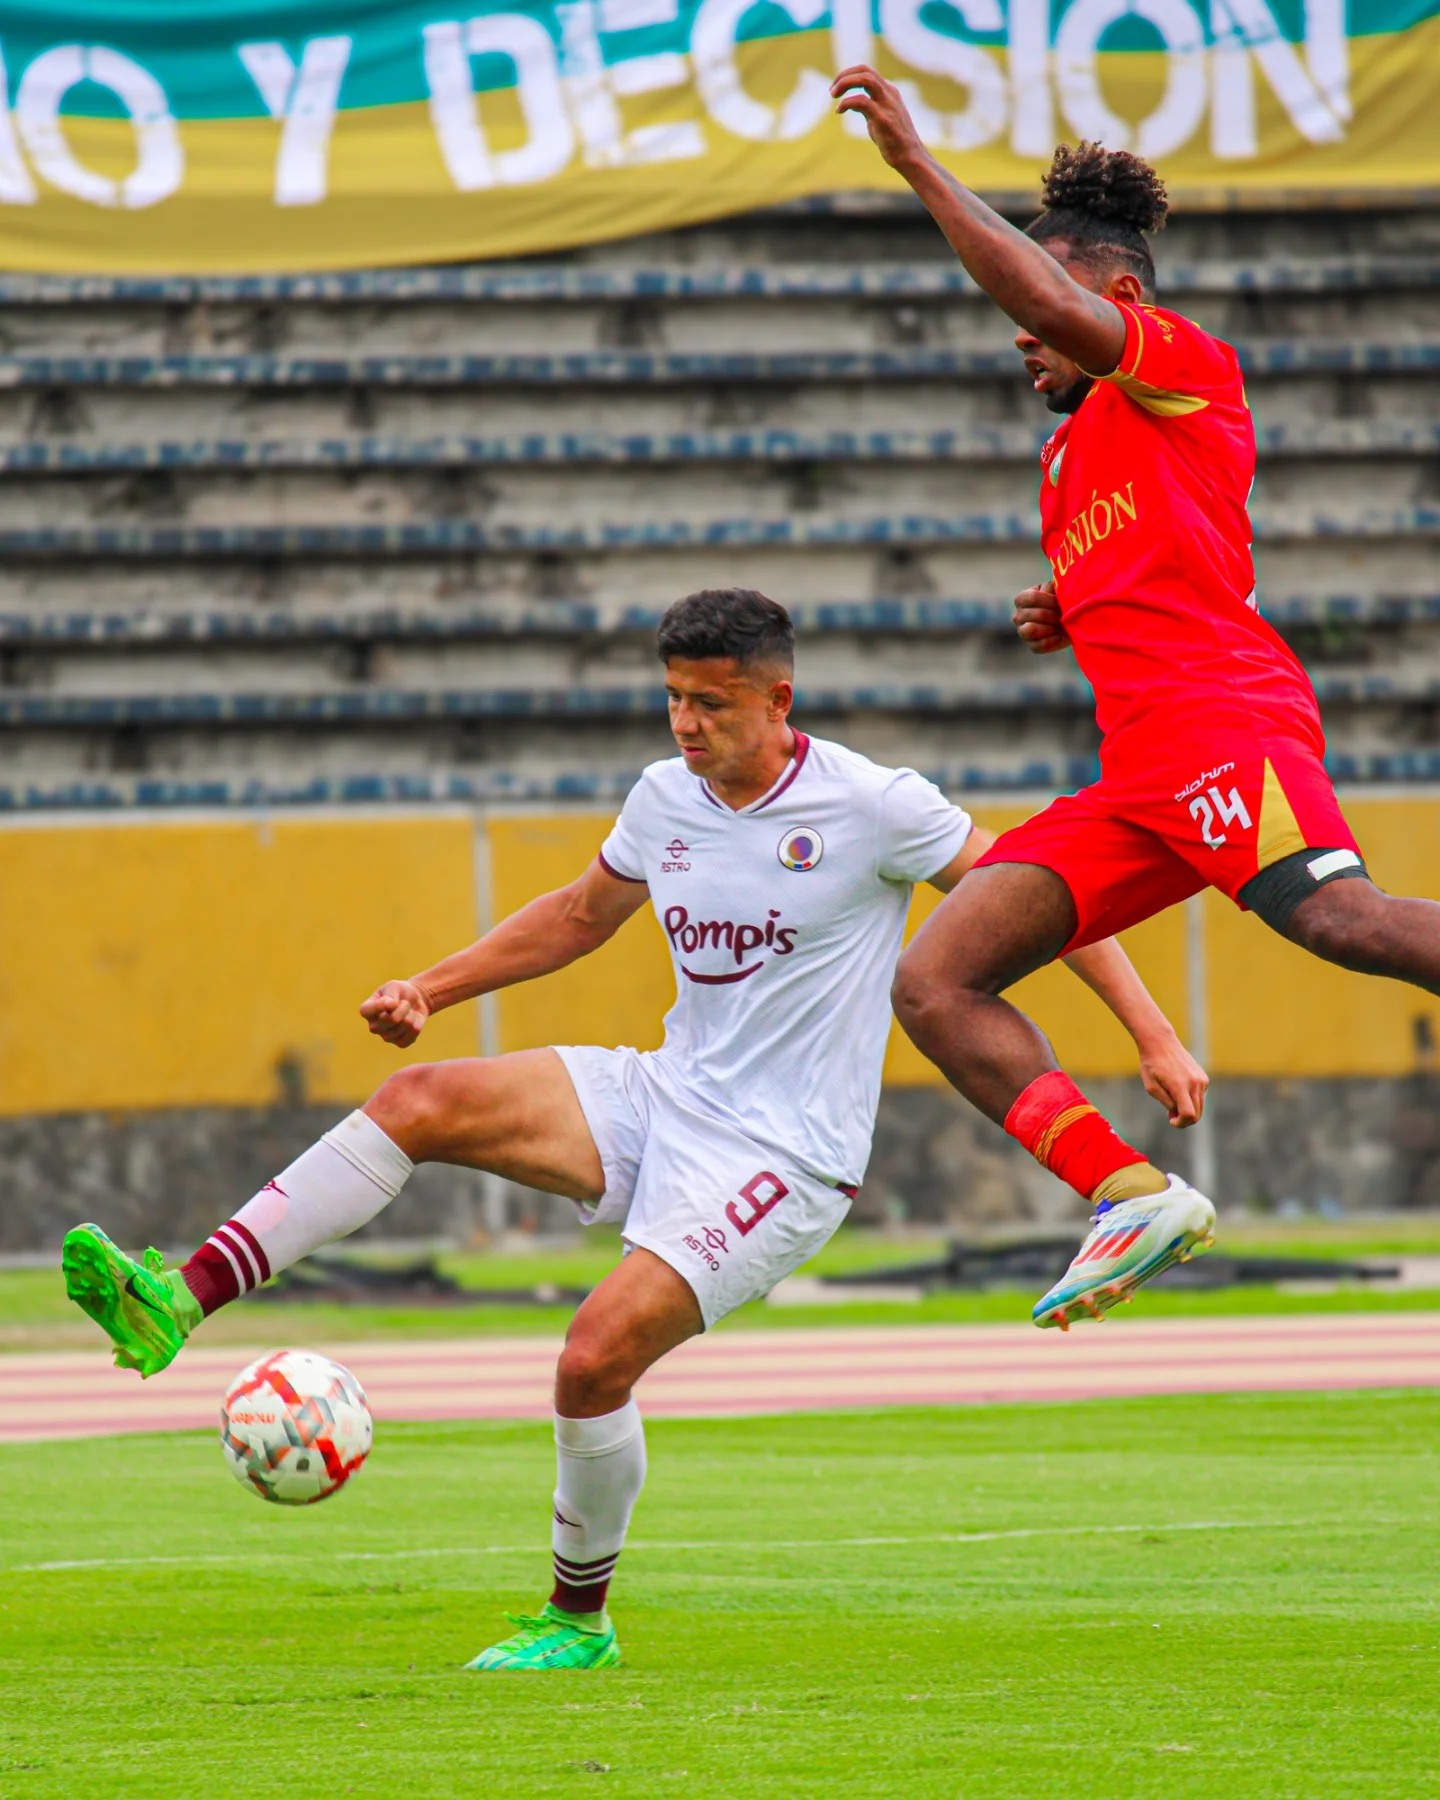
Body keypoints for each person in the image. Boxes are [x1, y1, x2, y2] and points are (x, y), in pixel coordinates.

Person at [62, 588, 1204, 1670]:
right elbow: (574, 916)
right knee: (419, 1102)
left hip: (784, 1159)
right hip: (667, 1094)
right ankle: (180, 1298)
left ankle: (577, 1617)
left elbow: (1049, 897)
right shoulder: (664, 798)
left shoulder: (873, 804)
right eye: (673, 697)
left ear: (777, 700)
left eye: (710, 702)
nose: (686, 722)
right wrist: (430, 987)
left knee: (592, 1360)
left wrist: (1153, 1036)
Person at [833, 67, 1440, 1328]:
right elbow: (1167, 550)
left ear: (1116, 297)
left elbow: (1036, 290)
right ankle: (1128, 1193)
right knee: (937, 981)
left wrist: (914, 168)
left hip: (1226, 725)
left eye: (1048, 312)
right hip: (1140, 773)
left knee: (1341, 924)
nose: (1022, 336)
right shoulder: (1068, 454)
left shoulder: (1183, 364)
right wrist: (1076, 604)